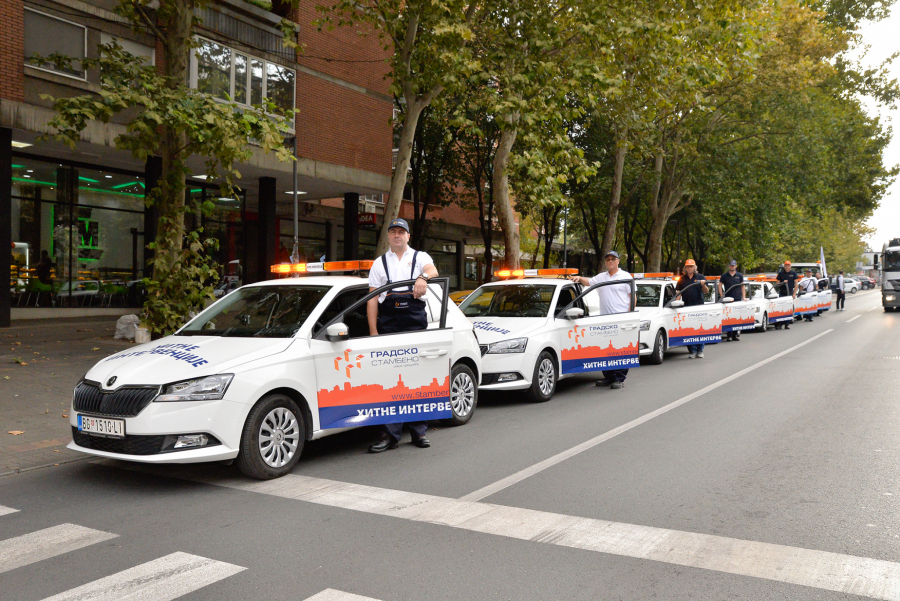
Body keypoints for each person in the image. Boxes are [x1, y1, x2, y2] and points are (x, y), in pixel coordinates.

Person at [366, 218, 439, 453]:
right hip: (389, 325)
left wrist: (422, 278)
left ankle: (419, 432)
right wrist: (374, 332)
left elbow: (432, 270)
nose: (397, 235)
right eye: (393, 232)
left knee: (416, 378)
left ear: (408, 236)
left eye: (401, 232)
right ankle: (390, 435)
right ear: (388, 236)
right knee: (391, 380)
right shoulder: (379, 263)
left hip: (414, 323)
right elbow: (371, 300)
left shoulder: (420, 258)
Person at [568, 251, 633, 389]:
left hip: (621, 319)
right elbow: (589, 282)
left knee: (620, 350)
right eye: (608, 259)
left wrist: (630, 315)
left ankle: (619, 379)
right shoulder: (602, 276)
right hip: (605, 319)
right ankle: (608, 377)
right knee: (606, 349)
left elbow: (633, 297)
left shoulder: (626, 277)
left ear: (618, 261)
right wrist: (579, 278)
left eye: (613, 259)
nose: (610, 261)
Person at [675, 259, 709, 358]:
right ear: (685, 268)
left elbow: (706, 291)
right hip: (686, 308)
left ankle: (700, 350)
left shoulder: (700, 277)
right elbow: (678, 293)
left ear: (695, 267)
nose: (689, 268)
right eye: (688, 266)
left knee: (699, 330)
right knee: (689, 330)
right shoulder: (682, 279)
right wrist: (676, 304)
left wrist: (703, 284)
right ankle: (693, 351)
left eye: (691, 266)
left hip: (698, 307)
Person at [718, 259, 745, 341]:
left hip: (737, 298)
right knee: (729, 317)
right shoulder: (724, 276)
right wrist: (722, 296)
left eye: (733, 265)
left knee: (736, 317)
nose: (732, 267)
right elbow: (719, 285)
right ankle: (729, 335)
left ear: (736, 266)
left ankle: (735, 335)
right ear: (729, 266)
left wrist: (744, 297)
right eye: (730, 265)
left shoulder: (739, 275)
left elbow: (743, 286)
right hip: (728, 299)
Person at [775, 260, 797, 329]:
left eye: (788, 266)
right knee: (781, 308)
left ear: (790, 266)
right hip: (782, 292)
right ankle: (780, 323)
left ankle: (787, 324)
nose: (787, 267)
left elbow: (796, 284)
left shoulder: (793, 273)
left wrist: (794, 294)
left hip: (790, 292)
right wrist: (782, 282)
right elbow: (777, 284)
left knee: (788, 308)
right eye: (786, 266)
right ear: (784, 266)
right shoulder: (781, 273)